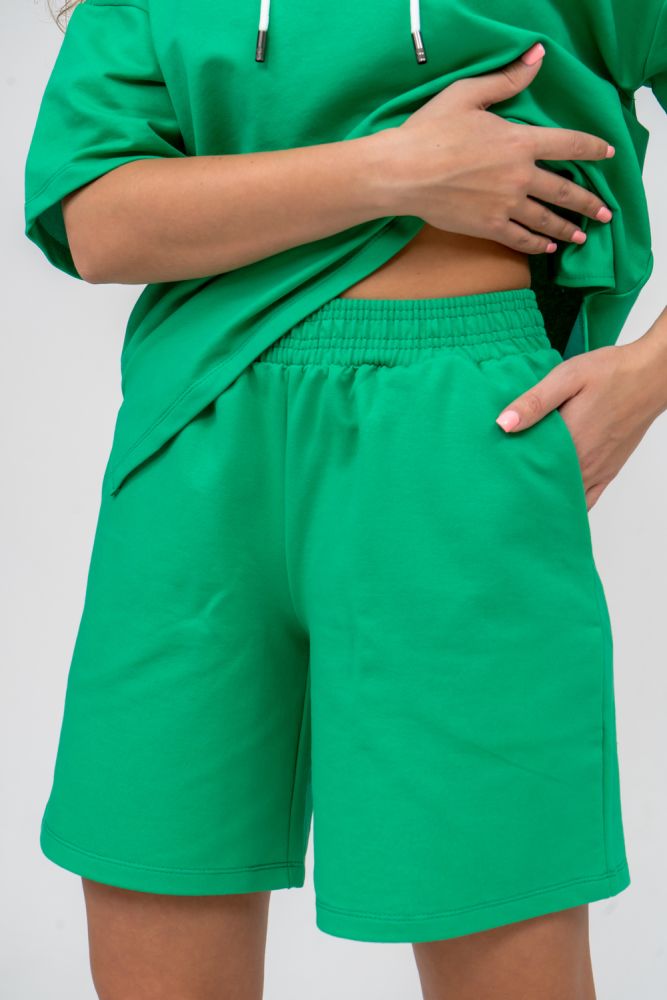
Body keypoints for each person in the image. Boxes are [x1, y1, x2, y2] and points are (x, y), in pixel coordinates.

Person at [23, 1, 666, 997]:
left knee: (504, 935)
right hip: (192, 439)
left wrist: (648, 377)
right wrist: (393, 172)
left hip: (459, 445)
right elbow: (94, 219)